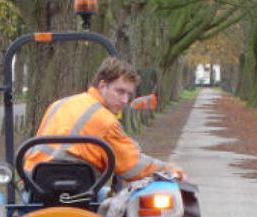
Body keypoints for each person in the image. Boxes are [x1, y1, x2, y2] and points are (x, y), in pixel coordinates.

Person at [24, 57, 185, 182]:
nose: (124, 100)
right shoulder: (106, 121)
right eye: (120, 91)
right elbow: (132, 165)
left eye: (129, 94)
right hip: (76, 189)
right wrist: (168, 169)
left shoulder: (59, 104)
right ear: (102, 86)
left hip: (33, 183)